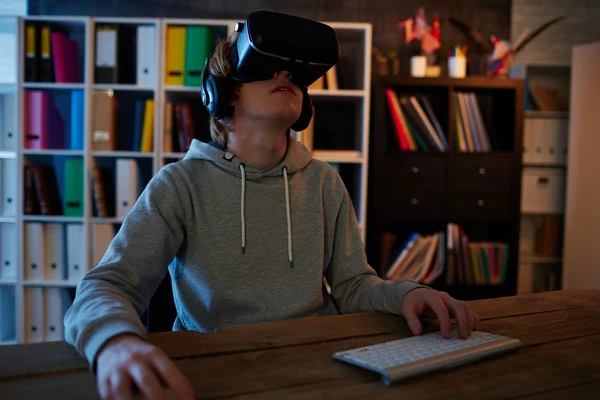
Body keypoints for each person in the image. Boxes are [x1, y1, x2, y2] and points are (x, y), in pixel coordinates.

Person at [64, 16, 480, 400]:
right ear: (221, 93)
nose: (286, 76)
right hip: (216, 370)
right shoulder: (180, 185)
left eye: (295, 73)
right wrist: (114, 343)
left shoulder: (324, 182)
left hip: (321, 364)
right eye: (266, 67)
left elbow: (354, 286)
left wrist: (409, 293)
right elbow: (108, 284)